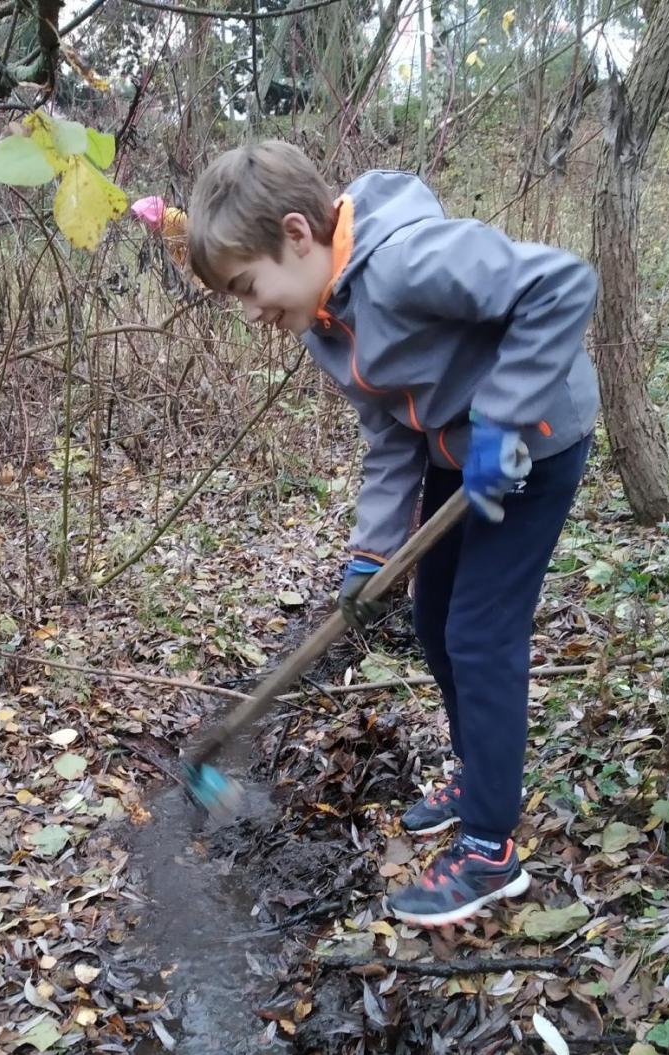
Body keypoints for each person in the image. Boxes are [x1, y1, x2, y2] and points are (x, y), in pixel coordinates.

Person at [187, 140, 599, 928]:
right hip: (459, 447)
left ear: (298, 235)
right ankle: (480, 772)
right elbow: (387, 436)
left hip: (534, 440)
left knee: (480, 634)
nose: (248, 310)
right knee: (431, 623)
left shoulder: (410, 260)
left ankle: (489, 850)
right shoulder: (322, 321)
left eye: (247, 285)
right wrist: (369, 557)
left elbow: (562, 284)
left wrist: (505, 417)